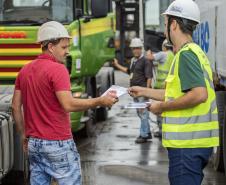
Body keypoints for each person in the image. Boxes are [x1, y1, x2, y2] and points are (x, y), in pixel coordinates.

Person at [12, 21, 118, 185]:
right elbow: (68, 104)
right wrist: (100, 100)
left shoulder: (24, 70)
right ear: (50, 46)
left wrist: (23, 134)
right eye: (63, 47)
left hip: (34, 143)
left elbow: (15, 106)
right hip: (57, 142)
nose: (67, 51)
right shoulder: (58, 69)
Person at [129, 0, 219, 184]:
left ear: (174, 24)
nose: (164, 30)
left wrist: (161, 107)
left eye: (165, 24)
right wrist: (143, 91)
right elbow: (174, 93)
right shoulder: (194, 52)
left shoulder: (186, 55)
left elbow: (199, 94)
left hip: (187, 146)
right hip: (193, 145)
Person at [113, 37, 153, 143]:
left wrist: (147, 92)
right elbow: (128, 71)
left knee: (143, 112)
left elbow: (149, 77)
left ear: (141, 49)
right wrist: (117, 65)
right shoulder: (133, 61)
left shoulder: (146, 61)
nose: (136, 50)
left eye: (138, 48)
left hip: (142, 92)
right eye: (134, 48)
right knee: (141, 113)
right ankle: (147, 132)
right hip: (135, 92)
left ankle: (143, 135)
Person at [146, 39, 174, 137]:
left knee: (159, 110)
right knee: (166, 109)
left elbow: (149, 57)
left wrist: (149, 51)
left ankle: (161, 131)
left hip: (160, 87)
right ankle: (166, 130)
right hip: (168, 86)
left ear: (164, 46)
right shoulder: (173, 55)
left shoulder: (163, 54)